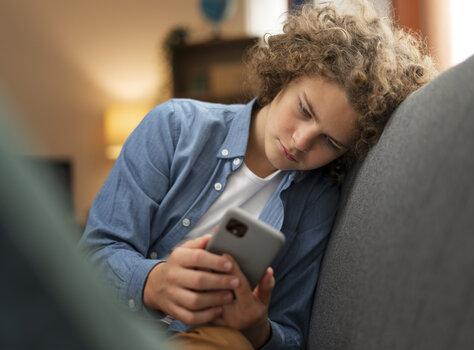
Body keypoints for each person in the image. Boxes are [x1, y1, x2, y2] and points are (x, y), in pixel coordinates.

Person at [79, 2, 437, 349]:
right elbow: (94, 255)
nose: (300, 142)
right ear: (286, 74)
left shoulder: (315, 201)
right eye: (304, 110)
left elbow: (291, 334)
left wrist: (255, 327)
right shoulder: (174, 127)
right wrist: (153, 284)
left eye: (328, 141)